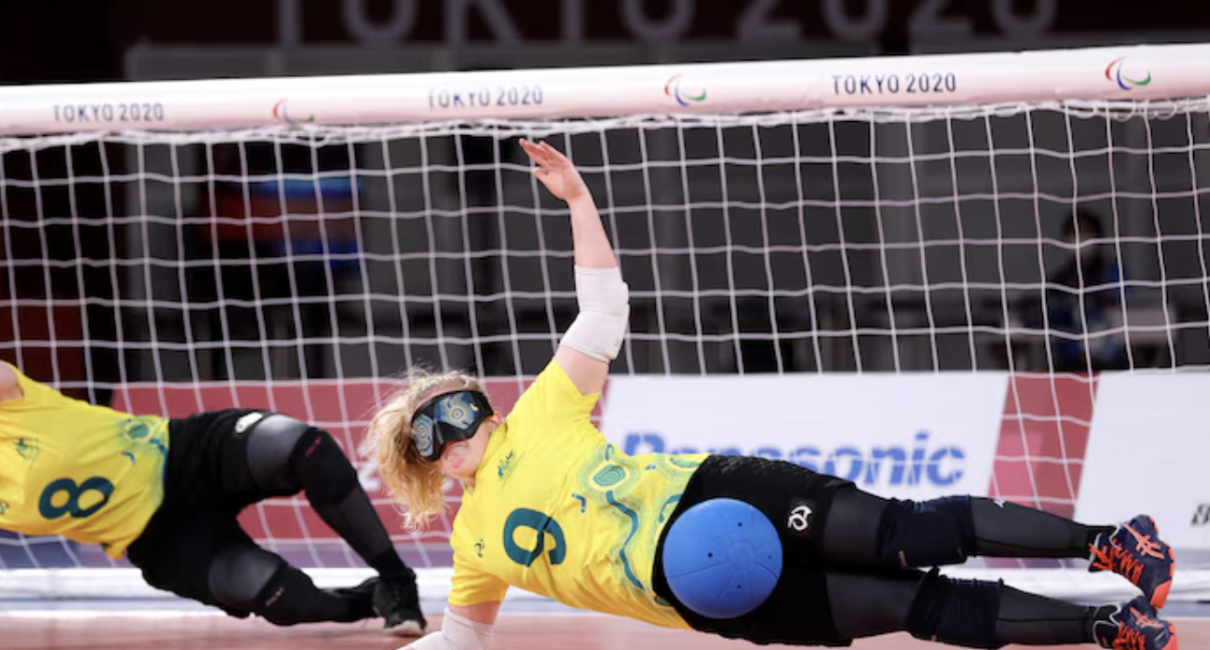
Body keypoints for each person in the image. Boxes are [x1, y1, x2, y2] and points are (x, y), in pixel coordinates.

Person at [365, 139, 1178, 650]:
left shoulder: (539, 411)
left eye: (457, 409)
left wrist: (579, 201)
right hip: (706, 594)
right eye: (429, 435)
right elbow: (461, 639)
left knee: (909, 532)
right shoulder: (471, 544)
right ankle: (1107, 627)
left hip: (714, 495)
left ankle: (1112, 542)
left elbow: (605, 309)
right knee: (918, 609)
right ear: (423, 467)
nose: (456, 430)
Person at [0, 347, 426, 647]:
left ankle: (396, 580)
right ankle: (365, 601)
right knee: (279, 599)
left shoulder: (6, 401)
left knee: (301, 445)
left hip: (185, 452)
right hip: (160, 538)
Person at [1046, 209, 1129, 372]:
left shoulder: (1113, 272)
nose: (1080, 238)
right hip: (1070, 363)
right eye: (1075, 232)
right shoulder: (1058, 280)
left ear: (1098, 236)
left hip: (1113, 360)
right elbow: (1054, 323)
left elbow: (1128, 312)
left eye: (1086, 232)